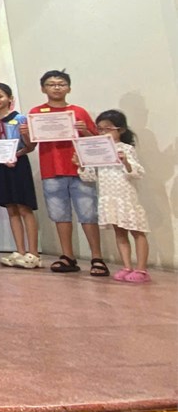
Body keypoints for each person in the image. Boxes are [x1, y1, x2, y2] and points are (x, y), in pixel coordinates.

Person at [27, 70, 106, 277]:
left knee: (88, 214)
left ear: (69, 88)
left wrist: (84, 130)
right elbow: (31, 145)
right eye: (51, 84)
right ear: (43, 88)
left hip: (79, 169)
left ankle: (97, 258)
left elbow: (96, 142)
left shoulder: (79, 112)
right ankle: (68, 256)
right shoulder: (36, 112)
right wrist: (25, 135)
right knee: (60, 215)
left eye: (61, 84)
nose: (56, 87)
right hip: (51, 170)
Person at [80, 110, 151, 283]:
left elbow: (137, 173)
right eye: (100, 129)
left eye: (108, 129)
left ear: (121, 130)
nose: (103, 132)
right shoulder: (97, 149)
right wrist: (81, 164)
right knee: (120, 233)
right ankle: (126, 266)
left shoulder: (127, 149)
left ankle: (141, 269)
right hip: (108, 196)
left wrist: (125, 161)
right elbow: (89, 177)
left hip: (125, 197)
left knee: (137, 232)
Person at [0, 83, 39, 269]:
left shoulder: (20, 119)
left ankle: (33, 253)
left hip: (17, 166)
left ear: (10, 98)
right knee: (10, 208)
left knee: (24, 207)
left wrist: (17, 153)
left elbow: (30, 146)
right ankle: (19, 250)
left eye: (0, 96)